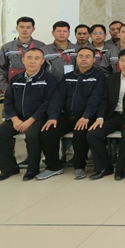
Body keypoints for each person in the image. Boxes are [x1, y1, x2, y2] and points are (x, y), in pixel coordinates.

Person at [0, 47, 57, 181]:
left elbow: (48, 103)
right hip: (18, 118)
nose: (32, 61)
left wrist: (31, 120)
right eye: (29, 58)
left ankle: (32, 169)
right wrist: (15, 119)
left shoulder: (49, 79)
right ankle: (9, 168)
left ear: (42, 61)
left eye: (37, 58)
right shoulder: (16, 78)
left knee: (32, 135)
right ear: (23, 60)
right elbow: (8, 101)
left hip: (39, 119)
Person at [38, 47, 106, 180]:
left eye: (88, 57)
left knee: (80, 134)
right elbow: (58, 98)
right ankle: (53, 166)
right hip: (67, 115)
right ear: (76, 59)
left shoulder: (99, 77)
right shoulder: (68, 77)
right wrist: (53, 117)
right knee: (48, 131)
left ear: (94, 60)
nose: (84, 59)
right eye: (81, 56)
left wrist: (86, 116)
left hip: (87, 116)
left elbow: (96, 99)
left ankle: (79, 166)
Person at [87, 49, 125, 180]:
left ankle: (120, 168)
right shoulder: (112, 78)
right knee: (92, 134)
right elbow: (104, 100)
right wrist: (100, 117)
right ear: (118, 62)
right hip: (113, 115)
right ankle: (104, 167)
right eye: (122, 60)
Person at [0, 16, 46, 92]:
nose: (25, 30)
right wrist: (5, 88)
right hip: (13, 88)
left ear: (33, 29)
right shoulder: (7, 47)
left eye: (28, 27)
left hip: (37, 88)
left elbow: (46, 68)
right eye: (22, 27)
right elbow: (0, 69)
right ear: (17, 28)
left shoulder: (41, 47)